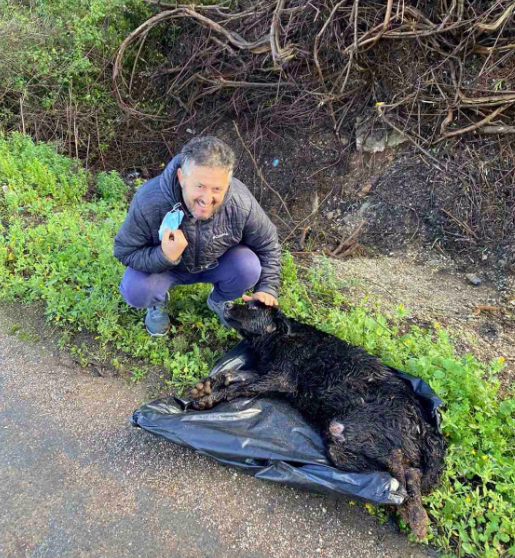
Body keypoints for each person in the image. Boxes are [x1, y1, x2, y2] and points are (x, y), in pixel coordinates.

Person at [113, 136, 281, 336]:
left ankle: (219, 300)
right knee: (136, 288)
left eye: (217, 188)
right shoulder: (149, 200)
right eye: (200, 186)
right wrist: (164, 256)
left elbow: (268, 244)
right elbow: (125, 251)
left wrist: (268, 288)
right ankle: (158, 304)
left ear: (227, 183)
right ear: (181, 178)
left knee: (249, 266)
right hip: (167, 270)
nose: (207, 198)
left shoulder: (241, 202)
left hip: (216, 263)